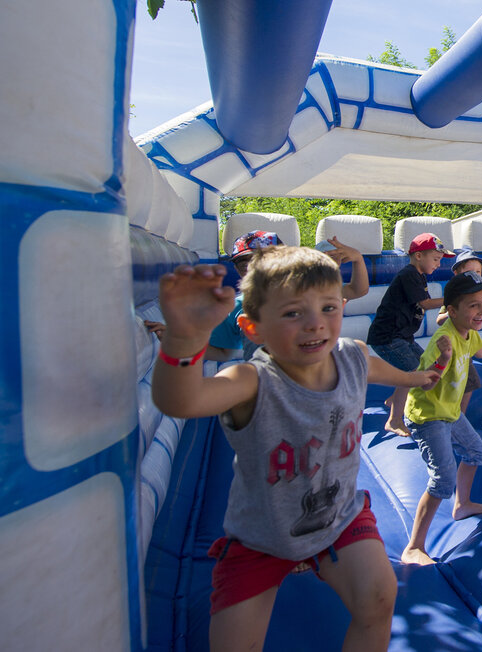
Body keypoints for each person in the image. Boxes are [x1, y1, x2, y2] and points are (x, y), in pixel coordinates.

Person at [149, 246, 444, 649]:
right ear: (253, 329)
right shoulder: (251, 381)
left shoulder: (353, 357)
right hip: (262, 537)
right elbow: (179, 402)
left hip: (339, 518)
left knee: (379, 598)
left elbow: (385, 371)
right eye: (292, 313)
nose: (314, 324)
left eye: (328, 308)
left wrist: (420, 378)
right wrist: (185, 341)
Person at [401, 271, 482, 566]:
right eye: (474, 305)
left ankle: (462, 505)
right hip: (428, 415)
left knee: (475, 451)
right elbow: (426, 384)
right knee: (442, 478)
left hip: (449, 411)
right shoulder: (443, 339)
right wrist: (443, 360)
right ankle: (414, 546)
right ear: (451, 310)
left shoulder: (469, 334)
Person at [204, 231, 369, 361]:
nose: (252, 267)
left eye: (264, 259)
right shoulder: (237, 305)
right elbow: (224, 352)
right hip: (267, 385)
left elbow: (357, 290)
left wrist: (358, 259)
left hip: (316, 376)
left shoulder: (307, 290)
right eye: (243, 264)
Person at [367, 232, 454, 436]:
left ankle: (394, 398)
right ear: (418, 256)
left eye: (440, 260)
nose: (438, 264)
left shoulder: (418, 276)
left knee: (422, 366)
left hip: (402, 337)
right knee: (414, 375)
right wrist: (452, 299)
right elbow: (424, 303)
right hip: (388, 337)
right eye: (435, 259)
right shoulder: (408, 275)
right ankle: (394, 420)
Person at [436, 249, 482, 412]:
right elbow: (439, 320)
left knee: (470, 381)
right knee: (446, 381)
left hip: (466, 348)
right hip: (451, 348)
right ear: (456, 273)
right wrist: (453, 314)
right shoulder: (455, 295)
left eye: (478, 272)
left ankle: (460, 414)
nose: (475, 275)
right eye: (469, 272)